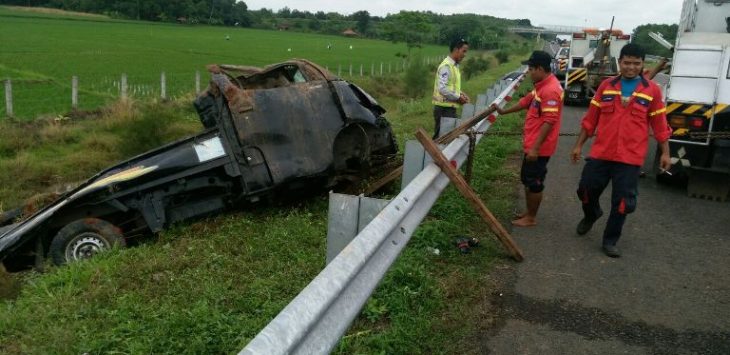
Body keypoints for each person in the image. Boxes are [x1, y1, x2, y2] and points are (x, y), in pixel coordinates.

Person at [570, 43, 671, 258]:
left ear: (643, 64)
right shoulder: (606, 86)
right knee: (585, 191)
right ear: (620, 62)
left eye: (636, 63)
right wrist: (578, 145)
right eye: (627, 63)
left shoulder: (652, 91)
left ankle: (610, 240)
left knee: (623, 203)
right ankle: (592, 213)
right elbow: (590, 121)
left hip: (630, 158)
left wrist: (665, 152)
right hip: (601, 153)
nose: (631, 67)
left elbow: (660, 125)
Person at [493, 50, 564, 227]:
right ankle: (529, 212)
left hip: (539, 147)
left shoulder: (550, 90)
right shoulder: (541, 86)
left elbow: (549, 121)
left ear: (540, 68)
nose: (529, 72)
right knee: (527, 178)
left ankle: (531, 217)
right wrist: (504, 111)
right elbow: (526, 101)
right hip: (532, 143)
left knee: (534, 182)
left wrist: (535, 148)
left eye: (531, 69)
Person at [432, 38, 470, 139]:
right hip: (443, 108)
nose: (465, 54)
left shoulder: (454, 66)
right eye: (464, 51)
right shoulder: (446, 66)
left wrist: (462, 94)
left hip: (449, 107)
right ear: (456, 49)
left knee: (446, 137)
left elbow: (451, 86)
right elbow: (442, 88)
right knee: (440, 139)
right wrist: (458, 97)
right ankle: (430, 155)